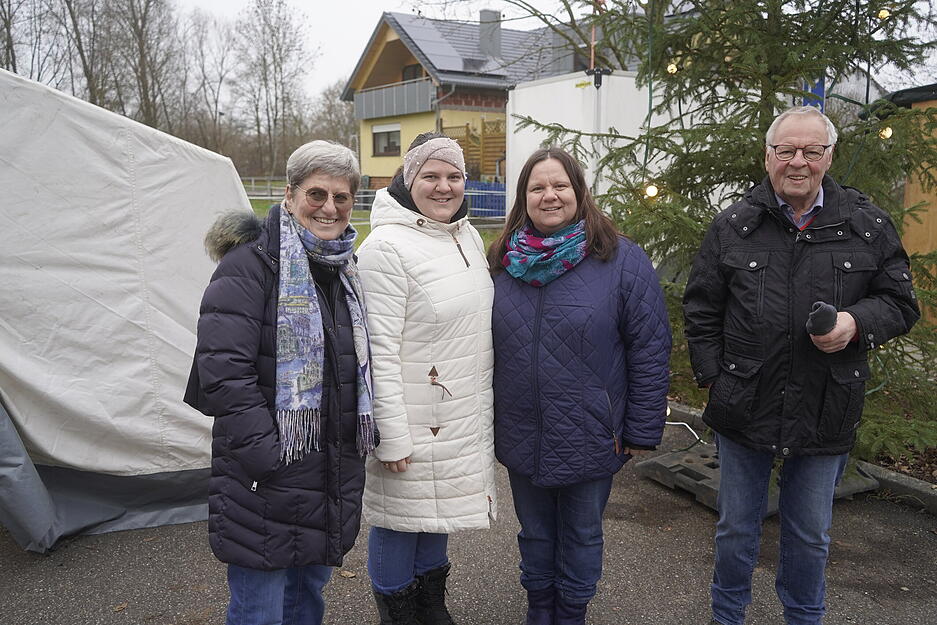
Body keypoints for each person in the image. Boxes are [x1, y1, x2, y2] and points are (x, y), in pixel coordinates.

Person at [683, 106, 921, 625]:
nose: (798, 162)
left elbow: (901, 303)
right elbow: (701, 310)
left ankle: (804, 618)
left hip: (825, 405)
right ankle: (727, 617)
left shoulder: (868, 225)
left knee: (809, 535)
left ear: (828, 157)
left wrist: (855, 323)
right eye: (786, 150)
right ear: (767, 157)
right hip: (744, 405)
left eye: (811, 152)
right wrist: (714, 381)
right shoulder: (733, 227)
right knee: (735, 529)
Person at [183, 140, 376, 625]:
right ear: (289, 196)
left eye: (341, 197)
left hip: (325, 468)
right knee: (261, 606)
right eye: (316, 194)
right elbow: (223, 369)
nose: (329, 207)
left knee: (307, 597)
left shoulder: (342, 269)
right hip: (266, 473)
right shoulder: (249, 266)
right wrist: (268, 455)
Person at [488, 147, 671, 625]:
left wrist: (641, 428)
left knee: (583, 534)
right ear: (523, 198)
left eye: (560, 186)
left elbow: (649, 347)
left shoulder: (620, 259)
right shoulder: (502, 262)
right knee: (534, 533)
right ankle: (538, 610)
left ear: (579, 192)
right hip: (521, 427)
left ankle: (571, 613)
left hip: (592, 430)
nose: (550, 196)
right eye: (537, 187)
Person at [356, 133, 497, 625]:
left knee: (438, 513)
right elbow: (377, 353)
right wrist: (390, 437)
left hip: (455, 413)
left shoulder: (466, 236)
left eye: (454, 176)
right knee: (400, 522)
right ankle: (397, 613)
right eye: (430, 176)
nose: (444, 187)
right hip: (409, 421)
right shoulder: (386, 249)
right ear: (407, 181)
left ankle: (431, 604)